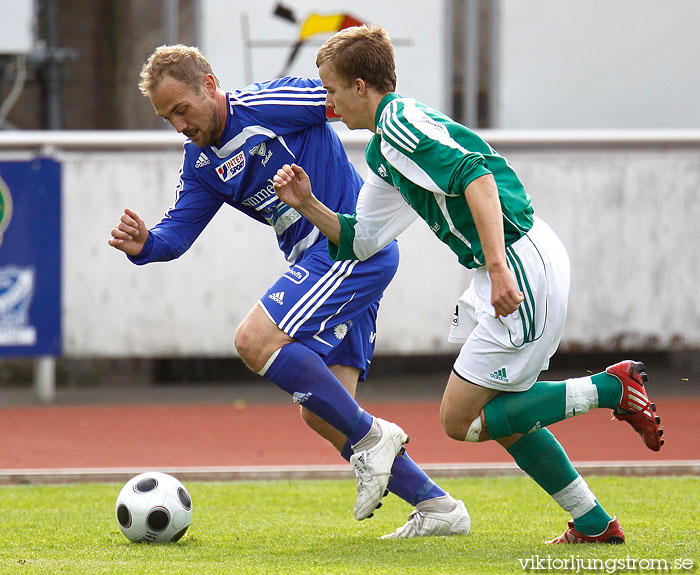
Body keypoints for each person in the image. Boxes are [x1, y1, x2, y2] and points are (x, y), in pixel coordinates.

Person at [272, 25, 664, 543]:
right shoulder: (383, 149)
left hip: (516, 261)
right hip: (506, 262)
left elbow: (477, 178)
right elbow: (360, 239)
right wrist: (308, 205)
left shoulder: (399, 124)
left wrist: (499, 268)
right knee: (504, 414)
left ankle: (611, 388)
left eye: (331, 89)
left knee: (463, 420)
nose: (327, 101)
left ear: (361, 86)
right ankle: (592, 521)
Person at [108, 44, 471, 538]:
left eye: (182, 109)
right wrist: (145, 243)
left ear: (209, 86)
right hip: (324, 265)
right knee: (322, 414)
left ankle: (373, 436)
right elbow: (175, 236)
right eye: (167, 117)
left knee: (253, 340)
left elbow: (355, 102)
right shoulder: (200, 164)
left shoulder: (268, 104)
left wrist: (413, 156)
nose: (179, 125)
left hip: (347, 248)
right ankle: (439, 508)